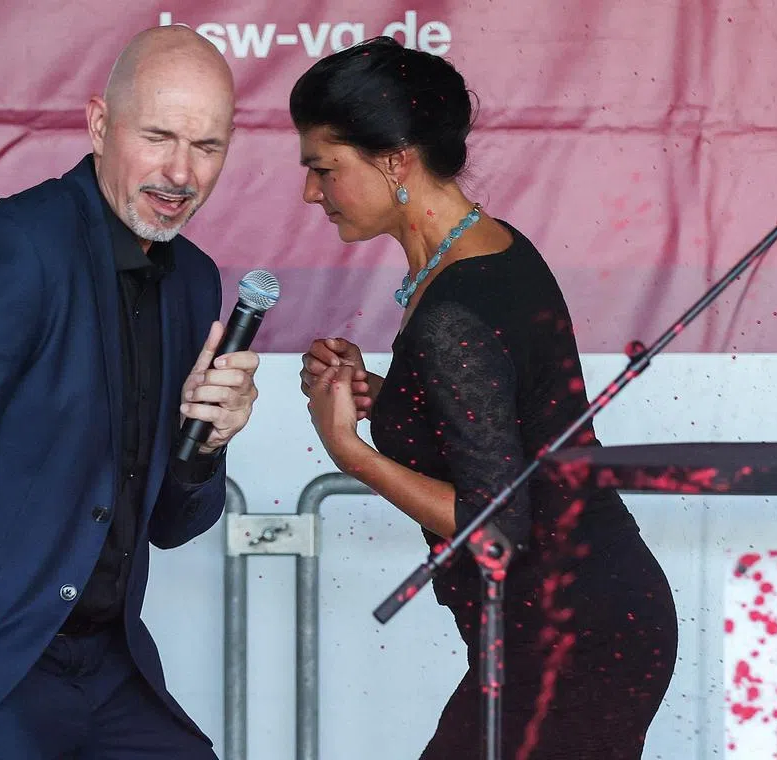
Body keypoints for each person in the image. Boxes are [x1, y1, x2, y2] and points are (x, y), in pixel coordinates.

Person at [295, 36, 678, 758]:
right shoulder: (485, 250)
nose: (311, 193)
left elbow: (497, 528)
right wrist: (387, 395)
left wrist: (348, 449)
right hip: (579, 622)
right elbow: (507, 424)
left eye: (323, 168)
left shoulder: (454, 312)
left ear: (394, 160)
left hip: (572, 639)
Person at [0, 26, 259, 759]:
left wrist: (205, 445)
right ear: (100, 126)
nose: (181, 173)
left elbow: (170, 523)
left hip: (108, 665)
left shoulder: (195, 279)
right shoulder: (20, 247)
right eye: (158, 137)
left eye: (207, 147)